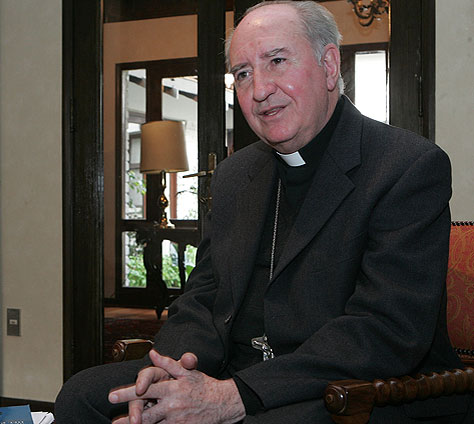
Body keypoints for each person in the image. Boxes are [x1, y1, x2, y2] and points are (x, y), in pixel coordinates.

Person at [55, 1, 473, 422]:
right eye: (242, 73)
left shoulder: (405, 166)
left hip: (353, 388)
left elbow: (386, 329)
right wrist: (174, 370)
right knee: (82, 396)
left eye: (277, 61)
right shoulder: (236, 175)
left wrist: (233, 397)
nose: (258, 90)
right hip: (235, 372)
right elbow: (204, 295)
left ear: (329, 66)